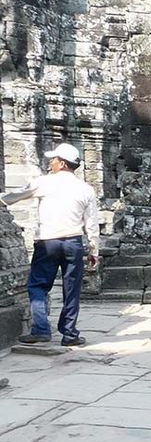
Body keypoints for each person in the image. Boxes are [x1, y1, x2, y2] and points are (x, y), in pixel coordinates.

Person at [1, 142, 99, 347]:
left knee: (37, 285)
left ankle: (41, 329)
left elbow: (12, 197)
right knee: (72, 289)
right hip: (74, 242)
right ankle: (70, 333)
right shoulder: (86, 189)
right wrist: (93, 249)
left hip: (48, 242)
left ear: (62, 163)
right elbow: (91, 223)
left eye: (53, 160)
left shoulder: (44, 182)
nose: (51, 163)